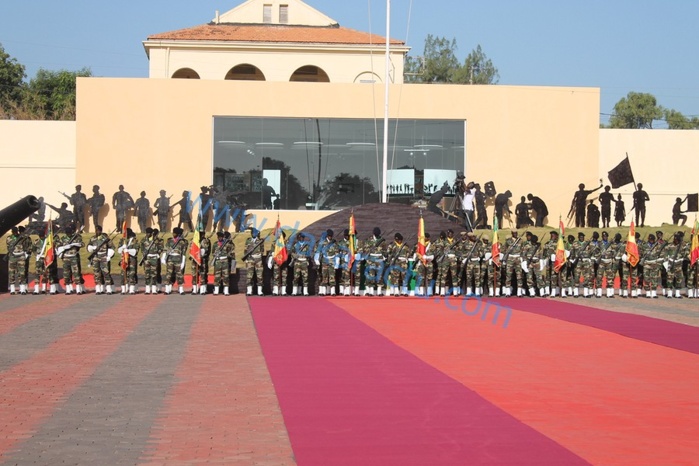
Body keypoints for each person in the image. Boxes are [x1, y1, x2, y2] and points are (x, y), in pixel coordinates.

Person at [56, 225, 84, 295]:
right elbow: (58, 247)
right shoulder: (63, 238)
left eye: (69, 233)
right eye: (67, 233)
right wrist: (64, 247)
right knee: (66, 273)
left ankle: (78, 289)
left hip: (74, 257)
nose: (68, 234)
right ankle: (68, 289)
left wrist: (75, 244)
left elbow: (82, 244)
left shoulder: (77, 237)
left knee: (76, 273)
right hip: (66, 257)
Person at [87, 225, 116, 295]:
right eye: (96, 230)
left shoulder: (105, 238)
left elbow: (112, 247)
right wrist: (92, 248)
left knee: (106, 273)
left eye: (98, 230)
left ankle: (109, 288)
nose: (97, 232)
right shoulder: (92, 238)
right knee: (97, 273)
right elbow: (88, 247)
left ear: (101, 230)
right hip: (95, 257)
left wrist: (109, 256)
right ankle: (98, 288)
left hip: (103, 257)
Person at [162, 227, 188, 295]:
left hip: (178, 259)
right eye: (173, 233)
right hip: (170, 259)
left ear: (178, 234)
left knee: (179, 274)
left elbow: (184, 252)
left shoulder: (182, 242)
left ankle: (181, 289)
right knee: (169, 274)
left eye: (175, 233)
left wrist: (183, 261)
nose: (173, 234)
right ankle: (167, 289)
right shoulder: (169, 241)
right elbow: (165, 249)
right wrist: (163, 257)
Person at [6, 226, 32, 295]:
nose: (15, 233)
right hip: (12, 257)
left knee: (22, 273)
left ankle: (23, 289)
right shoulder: (9, 238)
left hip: (21, 256)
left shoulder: (22, 238)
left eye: (16, 231)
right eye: (13, 232)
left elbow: (26, 245)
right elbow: (8, 247)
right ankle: (12, 289)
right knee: (11, 273)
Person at [33, 227, 59, 295]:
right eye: (40, 236)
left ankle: (49, 289)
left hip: (46, 259)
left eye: (42, 235)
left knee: (48, 273)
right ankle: (36, 289)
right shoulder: (36, 241)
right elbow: (33, 249)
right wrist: (36, 255)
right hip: (39, 259)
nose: (41, 237)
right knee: (37, 273)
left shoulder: (48, 241)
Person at [363, 227, 387, 296]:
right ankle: (371, 291)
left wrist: (384, 257)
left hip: (379, 259)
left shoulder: (382, 241)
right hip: (371, 259)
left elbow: (385, 251)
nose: (377, 235)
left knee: (379, 276)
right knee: (371, 275)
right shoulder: (369, 240)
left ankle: (379, 292)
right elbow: (365, 249)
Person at [316, 229, 339, 296]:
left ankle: (332, 292)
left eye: (331, 236)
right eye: (329, 236)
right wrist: (317, 259)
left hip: (332, 261)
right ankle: (323, 291)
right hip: (324, 261)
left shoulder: (334, 243)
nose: (330, 237)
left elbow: (337, 253)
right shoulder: (322, 243)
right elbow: (318, 251)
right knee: (324, 276)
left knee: (332, 276)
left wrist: (337, 262)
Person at [211, 231, 235, 295]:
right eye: (218, 237)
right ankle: (216, 290)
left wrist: (233, 265)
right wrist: (215, 255)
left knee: (226, 276)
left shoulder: (227, 244)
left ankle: (226, 290)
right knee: (217, 276)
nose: (219, 238)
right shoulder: (215, 244)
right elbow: (212, 252)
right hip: (217, 261)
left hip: (225, 261)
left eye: (221, 237)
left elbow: (232, 252)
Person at [244, 228, 266, 296]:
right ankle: (249, 291)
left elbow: (262, 250)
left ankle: (260, 291)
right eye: (252, 233)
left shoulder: (260, 241)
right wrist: (247, 259)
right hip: (250, 259)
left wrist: (258, 256)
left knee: (259, 275)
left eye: (253, 233)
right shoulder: (248, 240)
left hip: (258, 259)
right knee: (249, 275)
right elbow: (245, 250)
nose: (252, 234)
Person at [117, 228, 139, 294]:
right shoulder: (122, 240)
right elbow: (118, 250)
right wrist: (122, 247)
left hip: (132, 259)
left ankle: (132, 289)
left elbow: (136, 251)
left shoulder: (135, 241)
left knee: (132, 273)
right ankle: (124, 289)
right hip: (124, 259)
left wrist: (128, 251)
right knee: (123, 273)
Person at [140, 227, 162, 294]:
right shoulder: (143, 240)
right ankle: (147, 289)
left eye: (149, 233)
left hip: (154, 258)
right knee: (147, 274)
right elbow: (142, 249)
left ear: (152, 233)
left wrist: (157, 253)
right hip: (147, 258)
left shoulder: (156, 240)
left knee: (154, 274)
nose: (147, 234)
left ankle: (154, 289)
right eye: (147, 233)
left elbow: (160, 248)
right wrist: (144, 253)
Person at [462, 232, 484, 297]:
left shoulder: (478, 244)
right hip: (469, 262)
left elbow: (482, 251)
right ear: (469, 237)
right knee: (469, 277)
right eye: (473, 237)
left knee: (477, 277)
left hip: (476, 262)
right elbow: (462, 252)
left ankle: (477, 292)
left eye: (475, 236)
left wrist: (479, 257)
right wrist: (465, 257)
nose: (474, 238)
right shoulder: (465, 244)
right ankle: (469, 292)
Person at [413, 232, 435, 297]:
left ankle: (429, 292)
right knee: (420, 278)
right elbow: (415, 253)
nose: (423, 238)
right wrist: (416, 258)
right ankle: (421, 291)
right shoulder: (419, 245)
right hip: (421, 263)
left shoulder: (432, 246)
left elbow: (433, 256)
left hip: (429, 263)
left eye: (425, 237)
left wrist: (427, 257)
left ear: (428, 238)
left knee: (429, 278)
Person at [503, 230, 524, 297]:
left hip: (518, 258)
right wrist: (504, 259)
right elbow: (504, 249)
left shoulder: (520, 240)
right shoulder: (508, 241)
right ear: (511, 233)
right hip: (510, 258)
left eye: (516, 233)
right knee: (508, 275)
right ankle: (508, 292)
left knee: (519, 275)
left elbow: (523, 249)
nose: (515, 234)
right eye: (514, 233)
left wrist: (522, 258)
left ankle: (519, 292)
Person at [191, 229, 211, 295]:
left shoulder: (206, 241)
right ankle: (195, 289)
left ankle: (202, 290)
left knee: (203, 274)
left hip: (203, 260)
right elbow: (191, 249)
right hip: (195, 260)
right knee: (194, 274)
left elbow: (207, 250)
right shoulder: (194, 241)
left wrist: (202, 251)